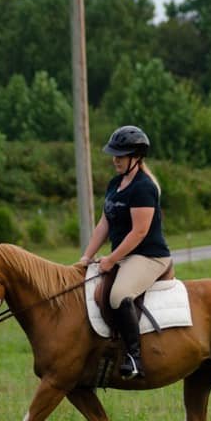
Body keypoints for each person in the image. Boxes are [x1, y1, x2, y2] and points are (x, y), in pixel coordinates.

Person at [78, 125, 172, 379]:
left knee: (119, 295)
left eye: (121, 154)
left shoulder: (143, 187)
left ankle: (134, 357)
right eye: (114, 154)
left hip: (149, 256)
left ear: (136, 157)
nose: (115, 159)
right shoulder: (115, 184)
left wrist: (110, 259)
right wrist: (86, 257)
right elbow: (104, 224)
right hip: (126, 255)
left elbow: (139, 232)